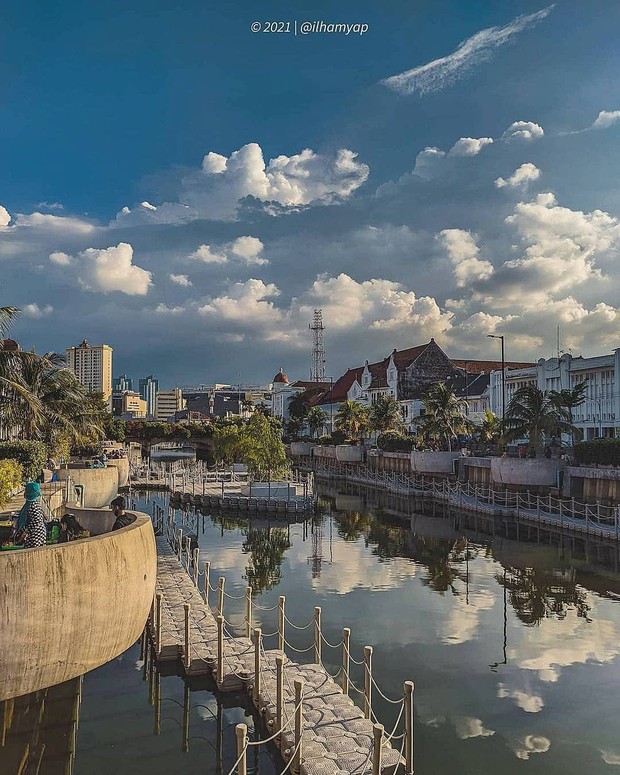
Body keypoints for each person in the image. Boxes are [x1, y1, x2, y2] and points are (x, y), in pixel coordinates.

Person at [15, 482, 47, 548]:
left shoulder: (33, 506)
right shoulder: (31, 504)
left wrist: (26, 531)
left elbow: (37, 521)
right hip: (35, 534)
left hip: (36, 535)